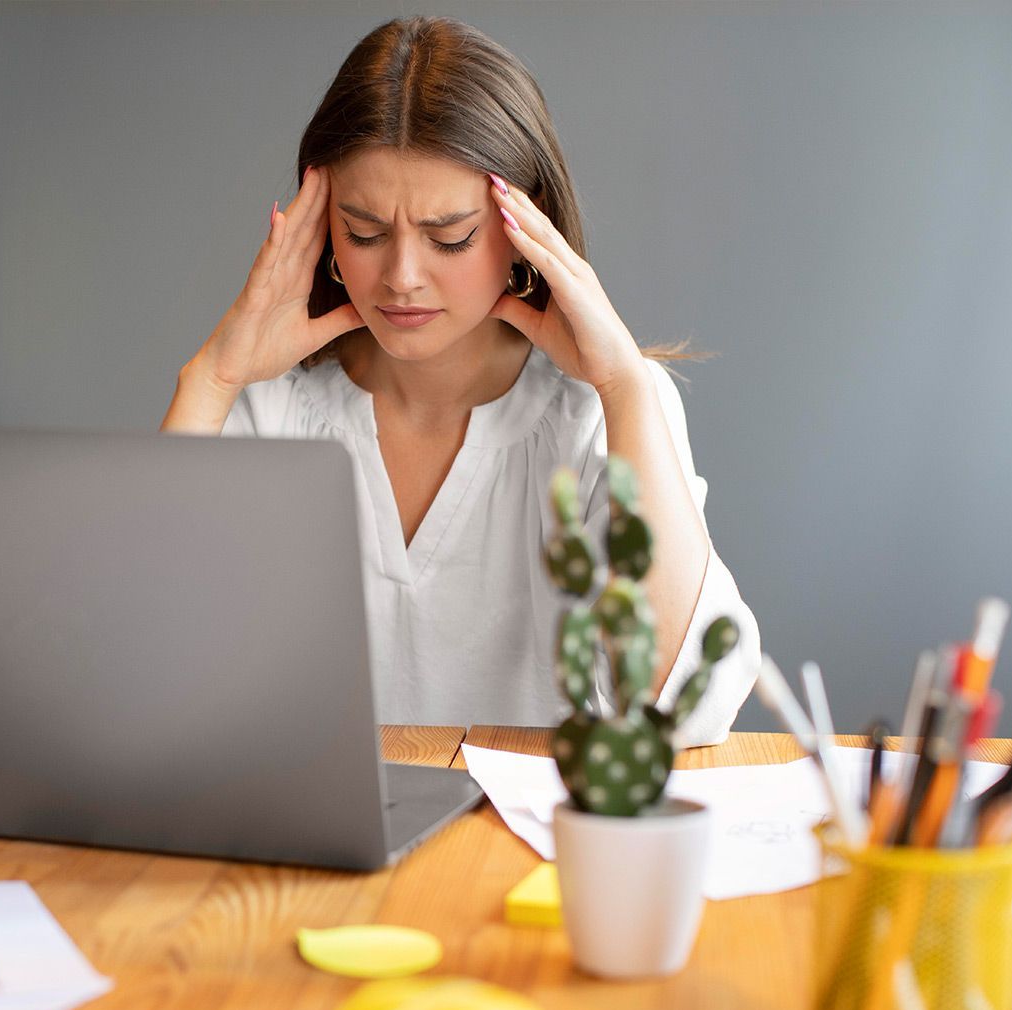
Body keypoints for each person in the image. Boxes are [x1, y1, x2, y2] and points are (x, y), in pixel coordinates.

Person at [160, 15, 760, 746]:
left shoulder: (601, 415)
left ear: (522, 229)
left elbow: (688, 711)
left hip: (526, 857)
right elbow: (140, 673)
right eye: (365, 232)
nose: (403, 278)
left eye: (451, 237)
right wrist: (211, 378)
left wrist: (627, 388)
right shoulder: (266, 413)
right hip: (308, 859)